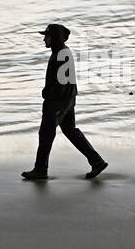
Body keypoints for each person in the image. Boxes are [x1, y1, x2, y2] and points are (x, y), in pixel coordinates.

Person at [22, 23, 108, 181]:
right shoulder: (64, 51)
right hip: (68, 99)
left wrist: (47, 94)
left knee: (46, 134)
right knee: (70, 131)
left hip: (58, 102)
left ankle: (40, 169)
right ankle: (97, 161)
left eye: (46, 36)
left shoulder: (60, 54)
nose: (44, 40)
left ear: (53, 37)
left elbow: (61, 81)